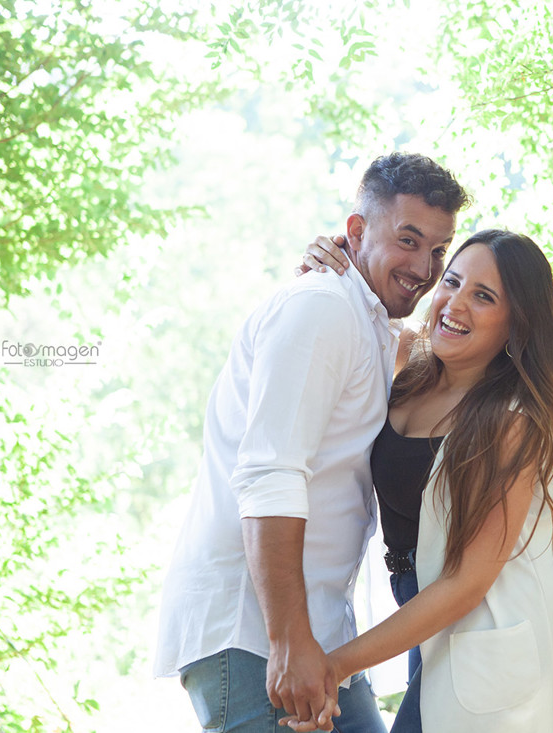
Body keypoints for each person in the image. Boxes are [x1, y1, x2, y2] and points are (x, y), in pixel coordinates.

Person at [153, 152, 469, 733]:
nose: (425, 267)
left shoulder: (371, 323)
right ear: (355, 230)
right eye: (408, 239)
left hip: (321, 632)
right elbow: (270, 474)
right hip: (253, 632)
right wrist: (288, 639)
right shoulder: (321, 308)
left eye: (438, 249)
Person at [294, 229, 553, 732]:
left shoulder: (513, 421)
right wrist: (329, 263)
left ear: (517, 324)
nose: (455, 303)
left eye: (484, 296)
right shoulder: (410, 363)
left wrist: (337, 664)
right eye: (452, 281)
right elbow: (347, 317)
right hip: (419, 617)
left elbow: (466, 582)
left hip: (482, 630)